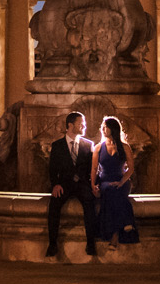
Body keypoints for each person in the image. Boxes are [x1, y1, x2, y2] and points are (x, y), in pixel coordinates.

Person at [45, 111, 98, 259]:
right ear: (70, 125)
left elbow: (92, 169)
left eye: (84, 123)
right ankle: (52, 244)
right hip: (64, 184)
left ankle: (91, 243)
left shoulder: (89, 145)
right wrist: (55, 184)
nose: (84, 126)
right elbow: (52, 169)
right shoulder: (57, 145)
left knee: (90, 203)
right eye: (81, 123)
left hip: (82, 185)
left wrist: (93, 185)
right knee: (54, 205)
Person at [94, 115, 139, 247]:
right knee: (110, 189)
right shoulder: (98, 147)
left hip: (122, 179)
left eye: (106, 127)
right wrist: (93, 185)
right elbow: (94, 168)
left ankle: (113, 233)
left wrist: (121, 182)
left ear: (113, 129)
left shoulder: (125, 147)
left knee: (117, 191)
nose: (103, 129)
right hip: (105, 180)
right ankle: (124, 225)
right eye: (102, 127)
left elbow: (131, 169)